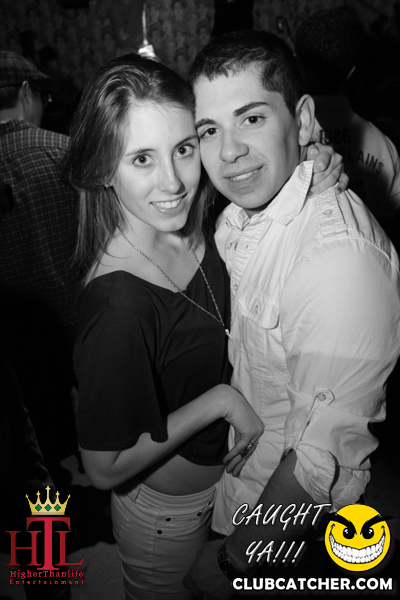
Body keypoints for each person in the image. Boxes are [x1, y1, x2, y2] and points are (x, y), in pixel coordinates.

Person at [63, 53, 343, 600]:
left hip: (226, 486)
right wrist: (219, 401)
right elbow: (101, 467)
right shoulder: (119, 305)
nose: (173, 182)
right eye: (141, 158)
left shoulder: (195, 219)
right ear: (103, 170)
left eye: (184, 148)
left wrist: (310, 161)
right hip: (164, 517)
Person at [184, 30, 400, 598]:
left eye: (251, 118)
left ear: (302, 119)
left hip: (287, 531)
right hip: (242, 484)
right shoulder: (239, 213)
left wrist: (234, 560)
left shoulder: (338, 261)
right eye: (209, 130)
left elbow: (320, 460)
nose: (228, 151)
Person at [0, 51, 79, 480]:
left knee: (36, 450)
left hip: (14, 349)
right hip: (79, 328)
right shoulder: (63, 151)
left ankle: (51, 511)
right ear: (27, 93)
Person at [294, 6, 400, 234]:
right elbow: (390, 226)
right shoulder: (385, 146)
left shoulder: (286, 140)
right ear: (351, 70)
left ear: (297, 62)